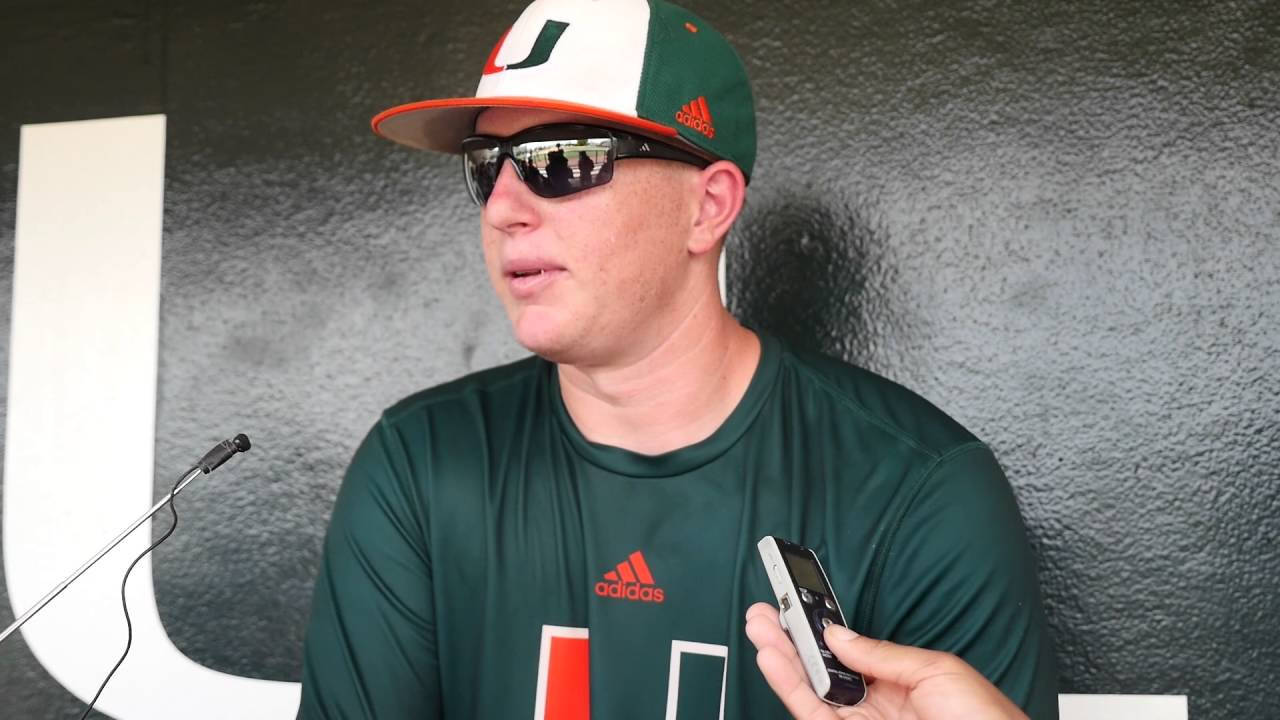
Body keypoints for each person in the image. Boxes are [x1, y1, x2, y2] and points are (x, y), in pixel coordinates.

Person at [299, 1, 1058, 718]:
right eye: (485, 165)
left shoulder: (915, 491)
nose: (502, 207)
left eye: (560, 160)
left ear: (709, 207)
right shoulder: (422, 464)